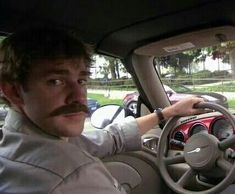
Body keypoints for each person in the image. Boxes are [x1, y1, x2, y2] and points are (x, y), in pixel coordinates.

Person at [0, 28, 205, 194]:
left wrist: (168, 112)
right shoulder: (72, 177)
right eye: (56, 81)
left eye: (81, 80)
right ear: (13, 91)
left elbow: (109, 138)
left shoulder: (17, 141)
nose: (79, 96)